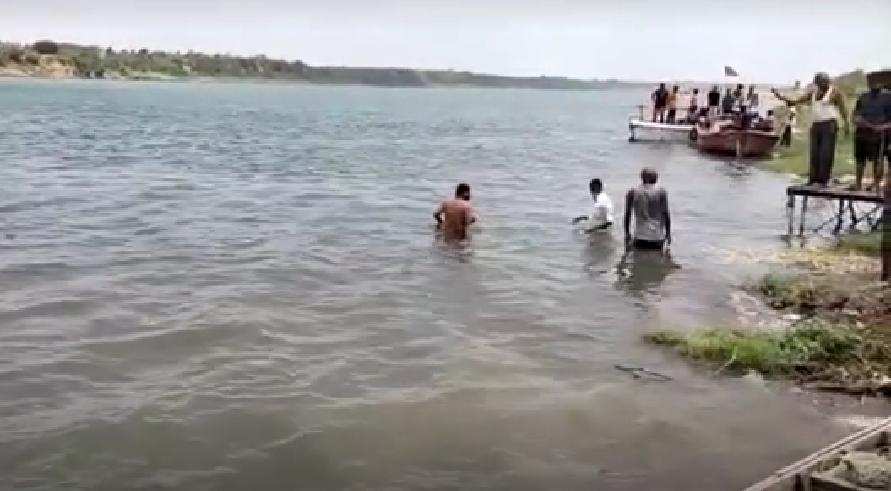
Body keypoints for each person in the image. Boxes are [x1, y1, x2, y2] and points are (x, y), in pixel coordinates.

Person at [772, 72, 850, 186]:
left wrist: (847, 125)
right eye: (819, 82)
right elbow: (795, 101)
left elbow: (843, 109)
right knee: (814, 152)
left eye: (824, 82)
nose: (822, 84)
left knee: (826, 153)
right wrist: (780, 97)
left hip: (829, 124)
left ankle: (823, 180)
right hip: (816, 124)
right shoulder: (813, 93)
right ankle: (813, 179)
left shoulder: (835, 92)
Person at [852, 78, 891, 191]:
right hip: (862, 132)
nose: (874, 83)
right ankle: (858, 184)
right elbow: (855, 114)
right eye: (872, 81)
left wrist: (883, 127)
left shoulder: (888, 97)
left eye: (877, 81)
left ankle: (876, 184)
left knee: (877, 159)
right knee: (860, 159)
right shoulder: (863, 97)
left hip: (879, 133)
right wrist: (856, 119)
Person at [624, 168, 671, 251]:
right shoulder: (661, 191)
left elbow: (628, 214)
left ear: (642, 178)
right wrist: (668, 234)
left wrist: (627, 233)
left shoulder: (633, 191)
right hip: (657, 236)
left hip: (640, 236)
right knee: (657, 257)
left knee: (639, 257)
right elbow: (666, 213)